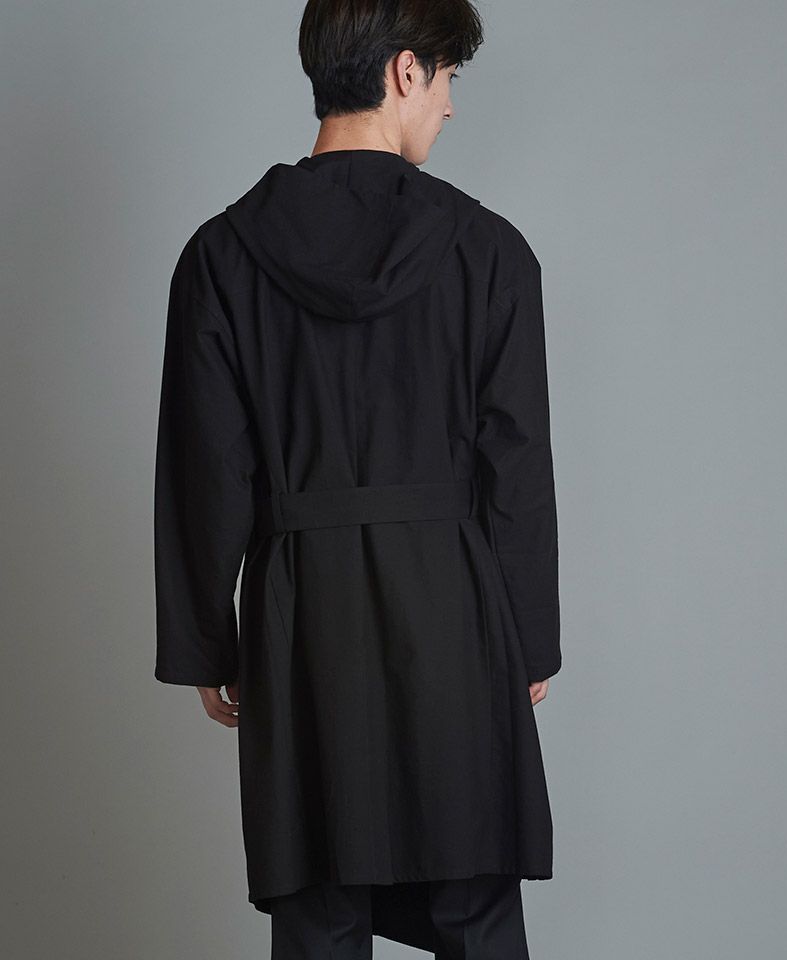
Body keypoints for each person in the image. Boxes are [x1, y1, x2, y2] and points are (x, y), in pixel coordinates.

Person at [153, 1, 562, 957]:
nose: (450, 106)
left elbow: (205, 470)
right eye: (449, 79)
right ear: (406, 72)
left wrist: (210, 641)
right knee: (473, 907)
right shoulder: (490, 251)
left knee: (320, 913)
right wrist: (528, 637)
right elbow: (516, 463)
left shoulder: (221, 256)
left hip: (302, 618)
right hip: (456, 612)